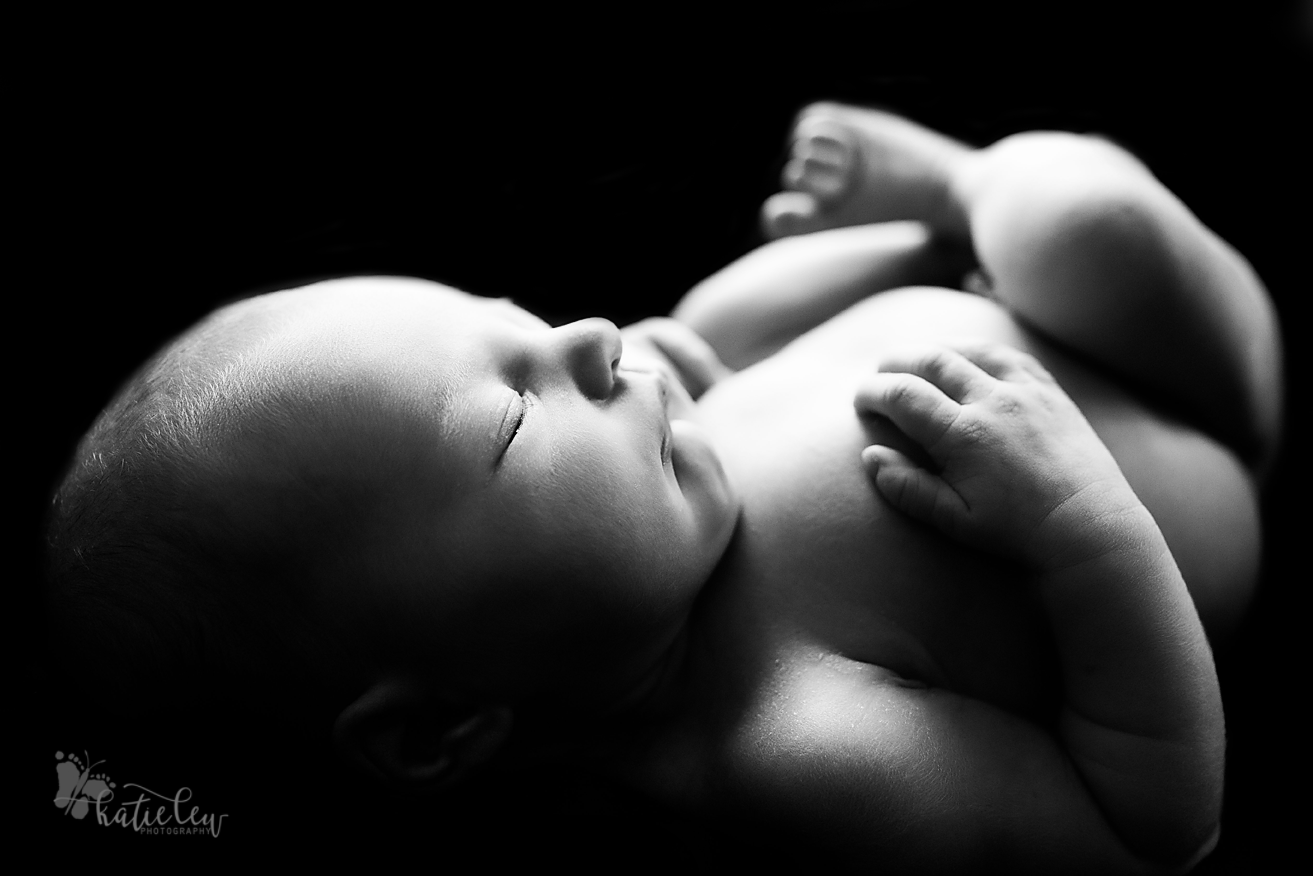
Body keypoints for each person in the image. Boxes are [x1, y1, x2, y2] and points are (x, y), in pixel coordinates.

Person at [46, 103, 1281, 872]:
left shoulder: (653, 471)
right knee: (1075, 213)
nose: (584, 336)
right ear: (438, 727)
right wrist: (1078, 522)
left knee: (697, 323)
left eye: (512, 322)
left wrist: (717, 349)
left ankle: (939, 215)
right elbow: (1153, 831)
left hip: (1002, 330)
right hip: (1195, 416)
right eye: (513, 414)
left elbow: (659, 354)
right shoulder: (801, 744)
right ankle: (972, 196)